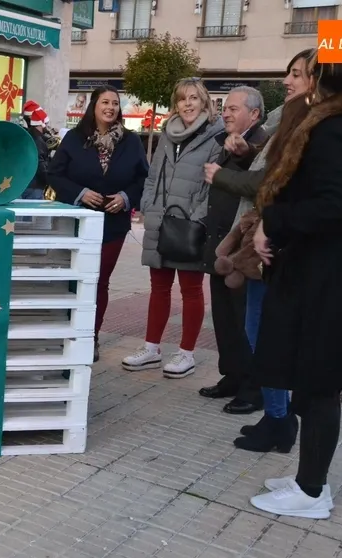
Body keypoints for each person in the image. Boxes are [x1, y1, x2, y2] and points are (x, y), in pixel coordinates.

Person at [248, 27, 342, 519]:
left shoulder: (336, 128)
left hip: (329, 277)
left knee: (319, 384)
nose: (293, 79)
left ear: (324, 74)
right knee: (311, 381)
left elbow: (336, 204)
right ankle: (309, 478)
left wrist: (274, 223)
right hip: (331, 272)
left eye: (307, 68)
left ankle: (311, 492)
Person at [203, 49, 316, 453]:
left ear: (318, 80)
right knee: (257, 332)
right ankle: (276, 416)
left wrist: (223, 176)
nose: (287, 81)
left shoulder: (315, 124)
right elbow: (269, 172)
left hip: (280, 247)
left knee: (267, 334)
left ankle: (282, 423)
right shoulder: (290, 119)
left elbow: (271, 183)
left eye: (297, 74)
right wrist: (247, 156)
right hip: (262, 244)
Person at [121, 78, 225, 377]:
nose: (187, 104)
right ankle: (151, 348)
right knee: (158, 287)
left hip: (190, 226)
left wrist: (197, 217)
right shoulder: (168, 133)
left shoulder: (215, 137)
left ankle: (186, 353)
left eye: (194, 98)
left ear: (204, 102)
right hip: (159, 220)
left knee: (191, 290)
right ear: (175, 104)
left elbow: (213, 186)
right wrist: (148, 205)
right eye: (182, 99)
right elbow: (153, 175)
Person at [48, 85, 149, 361]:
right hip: (77, 224)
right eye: (105, 102)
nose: (110, 108)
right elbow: (54, 174)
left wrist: (126, 198)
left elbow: (144, 178)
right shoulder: (74, 138)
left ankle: (90, 337)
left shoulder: (131, 141)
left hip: (112, 225)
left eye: (115, 103)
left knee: (99, 281)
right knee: (73, 280)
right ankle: (66, 332)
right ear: (94, 106)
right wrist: (79, 193)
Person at [198, 86, 269, 415]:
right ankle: (232, 375)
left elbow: (256, 181)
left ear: (254, 114)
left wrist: (228, 169)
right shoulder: (226, 141)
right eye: (224, 108)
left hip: (243, 250)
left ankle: (253, 387)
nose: (225, 113)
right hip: (221, 246)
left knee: (245, 320)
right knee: (225, 318)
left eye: (233, 108)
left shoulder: (261, 144)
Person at [23, 107, 52, 200]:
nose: (47, 127)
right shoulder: (38, 141)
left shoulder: (28, 135)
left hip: (25, 183)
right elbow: (40, 164)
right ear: (41, 124)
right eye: (46, 124)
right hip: (35, 186)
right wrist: (51, 180)